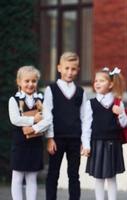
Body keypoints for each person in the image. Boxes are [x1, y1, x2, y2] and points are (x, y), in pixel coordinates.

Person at [43, 52, 87, 200]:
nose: (70, 72)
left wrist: (84, 141)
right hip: (57, 139)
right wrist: (50, 138)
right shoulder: (51, 89)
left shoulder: (81, 92)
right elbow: (47, 115)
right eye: (67, 68)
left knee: (74, 174)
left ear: (78, 70)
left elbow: (84, 118)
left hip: (75, 139)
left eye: (73, 69)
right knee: (53, 173)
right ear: (59, 68)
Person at [81, 67, 127, 200]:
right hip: (97, 143)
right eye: (96, 80)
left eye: (102, 80)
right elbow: (86, 126)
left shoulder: (118, 102)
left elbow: (124, 124)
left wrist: (121, 113)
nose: (97, 83)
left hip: (113, 143)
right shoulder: (91, 104)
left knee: (111, 177)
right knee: (98, 177)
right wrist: (86, 145)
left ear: (111, 84)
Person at [8, 66, 49, 200]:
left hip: (35, 143)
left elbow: (48, 120)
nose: (30, 84)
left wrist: (35, 127)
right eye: (27, 81)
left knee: (32, 177)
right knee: (18, 176)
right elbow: (15, 119)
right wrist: (33, 119)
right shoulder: (13, 100)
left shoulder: (41, 100)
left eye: (33, 81)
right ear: (19, 82)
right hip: (20, 143)